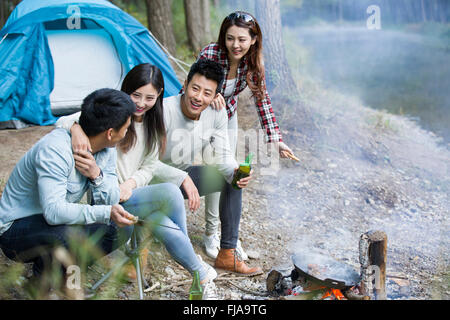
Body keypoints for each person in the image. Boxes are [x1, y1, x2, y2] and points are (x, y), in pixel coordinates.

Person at [60, 59, 262, 276]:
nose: (198, 97)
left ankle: (226, 252)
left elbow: (222, 156)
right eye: (195, 88)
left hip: (162, 178)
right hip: (146, 181)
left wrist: (236, 172)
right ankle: (165, 256)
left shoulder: (208, 113)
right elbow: (149, 163)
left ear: (215, 96)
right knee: (166, 194)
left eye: (207, 93)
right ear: (185, 84)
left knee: (230, 179)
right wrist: (75, 127)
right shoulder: (160, 111)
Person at [55, 65, 218, 297]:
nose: (141, 103)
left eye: (149, 97)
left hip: (130, 194)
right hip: (104, 196)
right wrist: (76, 128)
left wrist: (130, 184)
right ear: (126, 90)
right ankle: (198, 269)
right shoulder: (114, 112)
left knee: (164, 221)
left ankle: (198, 273)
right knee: (170, 193)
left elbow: (149, 166)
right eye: (136, 95)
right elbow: (63, 120)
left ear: (159, 95)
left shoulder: (153, 123)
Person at [0, 89, 136, 299]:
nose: (127, 132)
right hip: (16, 228)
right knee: (67, 235)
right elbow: (53, 212)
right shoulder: (55, 150)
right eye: (126, 128)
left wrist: (96, 175)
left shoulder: (107, 149)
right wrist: (104, 212)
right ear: (110, 132)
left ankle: (59, 274)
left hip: (53, 223)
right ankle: (38, 288)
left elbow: (109, 200)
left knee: (119, 230)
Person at [195, 11, 298, 259]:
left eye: (242, 39)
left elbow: (262, 100)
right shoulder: (211, 53)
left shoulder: (252, 63)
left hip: (227, 116)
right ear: (224, 38)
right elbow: (190, 86)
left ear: (253, 39)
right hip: (203, 116)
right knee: (213, 172)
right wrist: (210, 94)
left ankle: (228, 238)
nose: (235, 45)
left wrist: (275, 139)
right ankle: (211, 234)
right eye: (230, 38)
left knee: (230, 171)